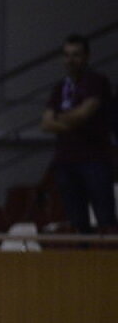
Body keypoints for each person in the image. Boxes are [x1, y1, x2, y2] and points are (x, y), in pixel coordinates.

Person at [40, 33, 116, 234]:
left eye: (76, 55)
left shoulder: (97, 81)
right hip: (65, 161)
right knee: (76, 222)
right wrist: (71, 121)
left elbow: (84, 114)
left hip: (94, 160)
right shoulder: (60, 87)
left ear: (87, 56)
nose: (70, 60)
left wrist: (59, 118)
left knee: (105, 219)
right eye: (66, 55)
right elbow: (45, 123)